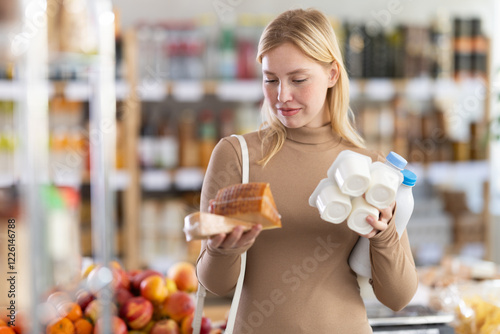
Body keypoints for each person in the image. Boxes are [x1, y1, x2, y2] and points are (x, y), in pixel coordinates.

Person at [196, 8, 418, 333]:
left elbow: (398, 297)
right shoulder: (237, 156)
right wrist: (221, 248)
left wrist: (384, 236)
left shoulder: (369, 167)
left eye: (298, 80)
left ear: (332, 74)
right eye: (270, 80)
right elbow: (215, 284)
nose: (282, 96)